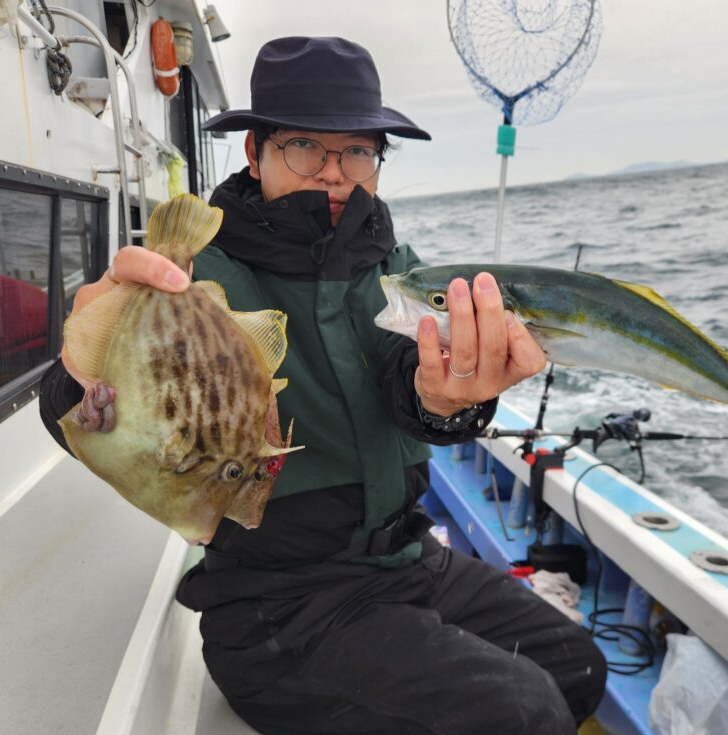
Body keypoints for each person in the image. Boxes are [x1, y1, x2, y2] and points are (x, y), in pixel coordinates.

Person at [40, 37, 607, 734]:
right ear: (255, 153)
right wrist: (87, 365)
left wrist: (450, 401)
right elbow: (80, 410)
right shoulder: (196, 276)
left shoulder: (392, 266)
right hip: (280, 607)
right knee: (526, 711)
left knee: (578, 665)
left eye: (359, 151)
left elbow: (410, 382)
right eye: (306, 146)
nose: (335, 174)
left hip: (406, 560)